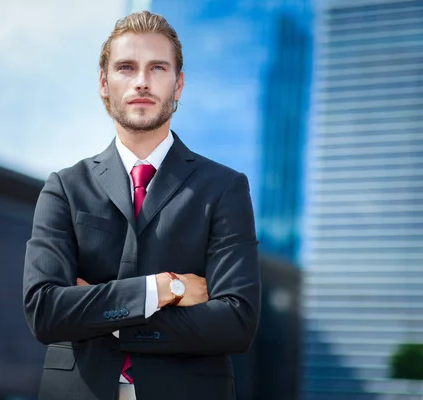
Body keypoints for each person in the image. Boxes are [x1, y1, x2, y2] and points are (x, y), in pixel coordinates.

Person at [22, 10, 261, 400]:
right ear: (104, 82)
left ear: (178, 84)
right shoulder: (64, 188)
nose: (142, 82)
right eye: (126, 67)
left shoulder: (224, 188)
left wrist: (102, 314)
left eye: (158, 68)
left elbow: (237, 321)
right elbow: (45, 311)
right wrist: (163, 289)